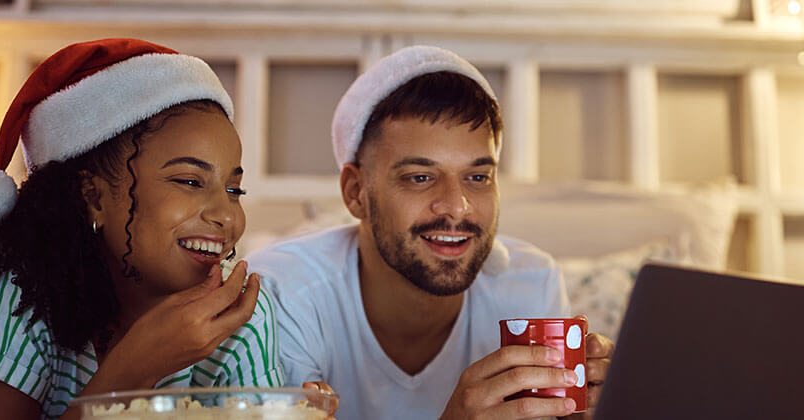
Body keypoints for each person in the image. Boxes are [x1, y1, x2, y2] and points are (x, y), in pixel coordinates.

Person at [0, 38, 312, 420]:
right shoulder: (10, 281)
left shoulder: (237, 318)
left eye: (234, 188)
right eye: (189, 181)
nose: (227, 216)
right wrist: (135, 369)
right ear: (92, 196)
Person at [248, 45, 613, 420]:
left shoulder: (530, 285)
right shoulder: (280, 295)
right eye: (420, 178)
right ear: (355, 192)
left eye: (477, 177)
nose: (457, 206)